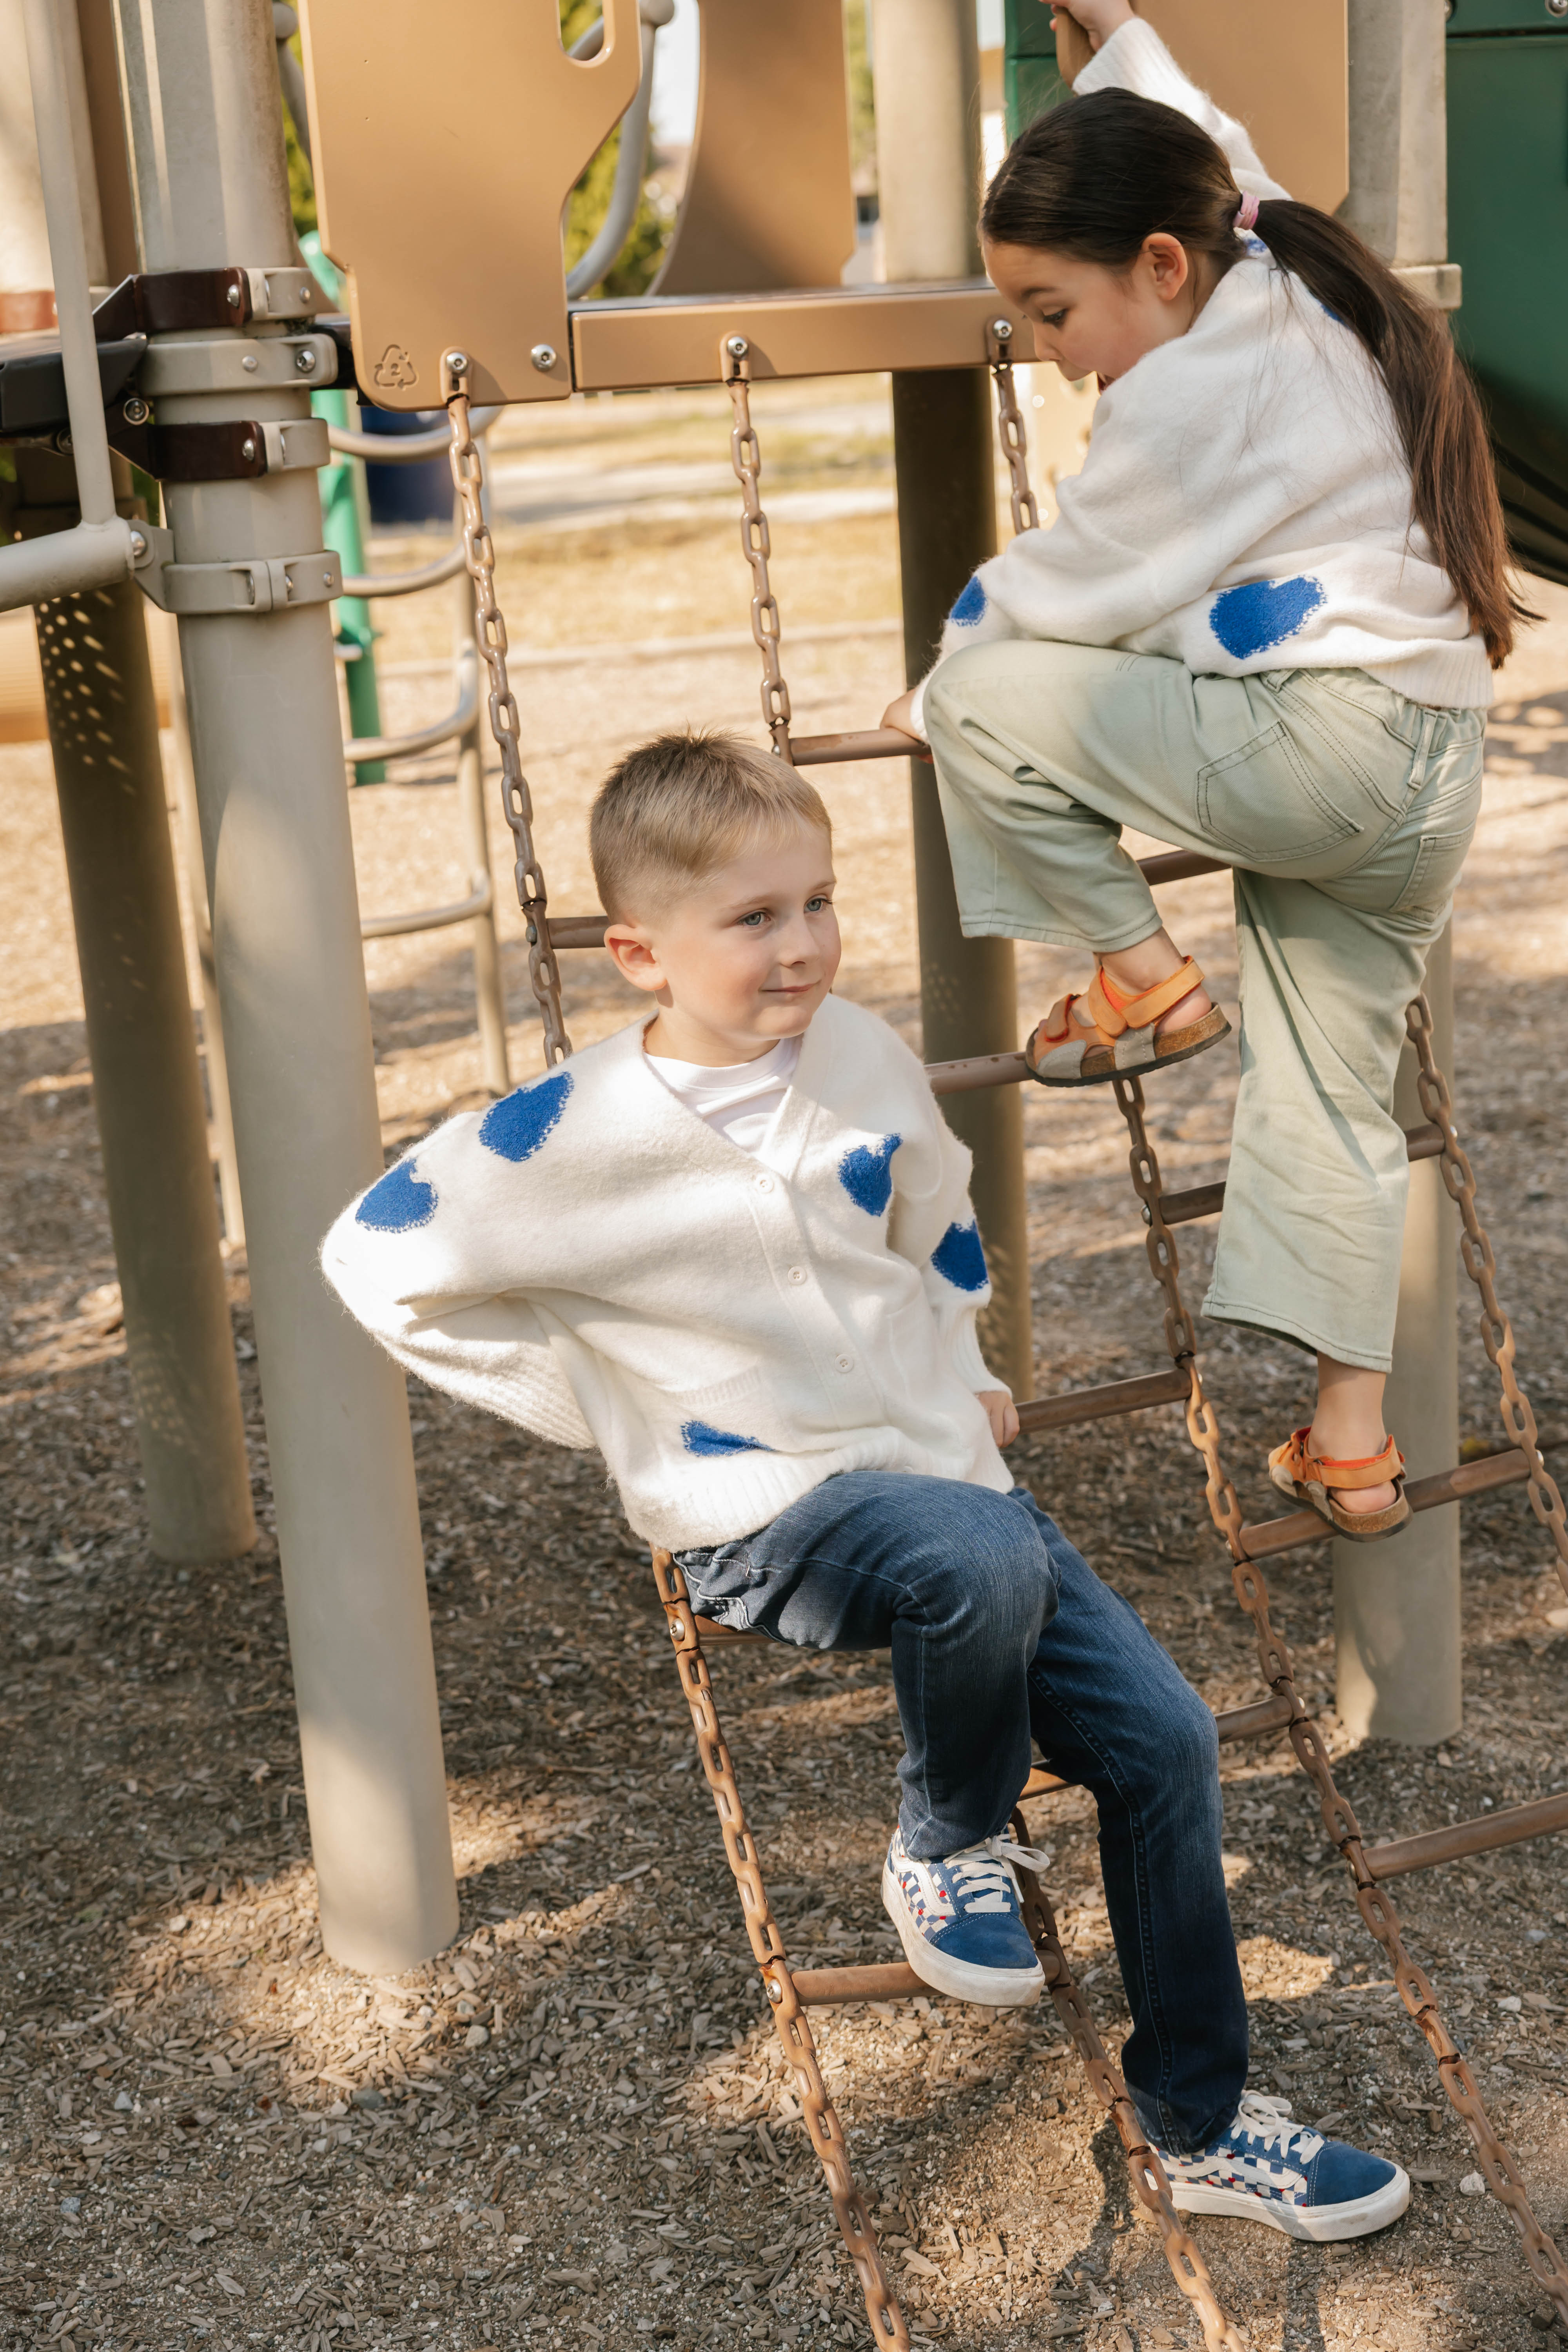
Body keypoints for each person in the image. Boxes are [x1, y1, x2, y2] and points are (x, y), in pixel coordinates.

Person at [322, 729, 1407, 2241]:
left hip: (940, 1480)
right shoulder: (563, 1141)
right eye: (754, 921)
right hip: (764, 1517)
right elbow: (369, 1259)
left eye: (819, 904)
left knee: (1164, 1742)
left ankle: (1204, 2128)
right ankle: (946, 1835)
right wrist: (607, 1409)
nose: (803, 947)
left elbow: (939, 1221)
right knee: (975, 1559)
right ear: (640, 952)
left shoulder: (859, 1056)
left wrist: (958, 1363)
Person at [883, 0, 1512, 1546]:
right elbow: (1193, 126)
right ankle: (1349, 1442)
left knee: (985, 692)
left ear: (1159, 269)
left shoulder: (1172, 398)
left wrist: (934, 692)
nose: (1049, 348)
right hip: (1426, 763)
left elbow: (1061, 582)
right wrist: (1114, 33)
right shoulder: (1278, 246)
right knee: (1331, 1098)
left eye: (1050, 312)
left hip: (1317, 740)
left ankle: (1137, 976)